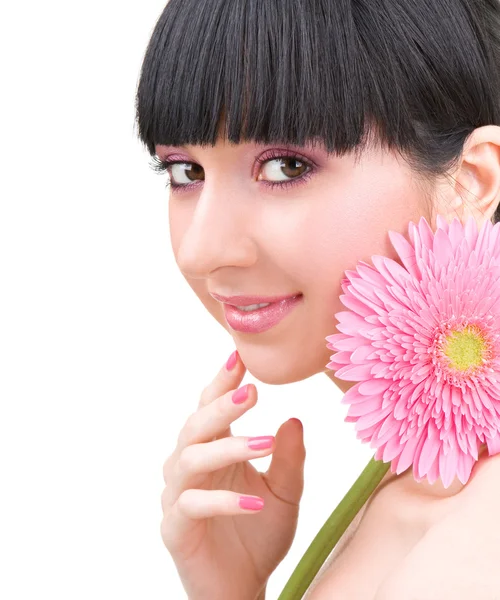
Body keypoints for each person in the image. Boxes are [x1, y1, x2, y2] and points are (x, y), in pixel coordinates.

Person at [134, 0, 500, 598]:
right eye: (184, 173)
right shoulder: (422, 488)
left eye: (284, 165)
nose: (201, 250)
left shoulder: (472, 545)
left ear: (470, 182)